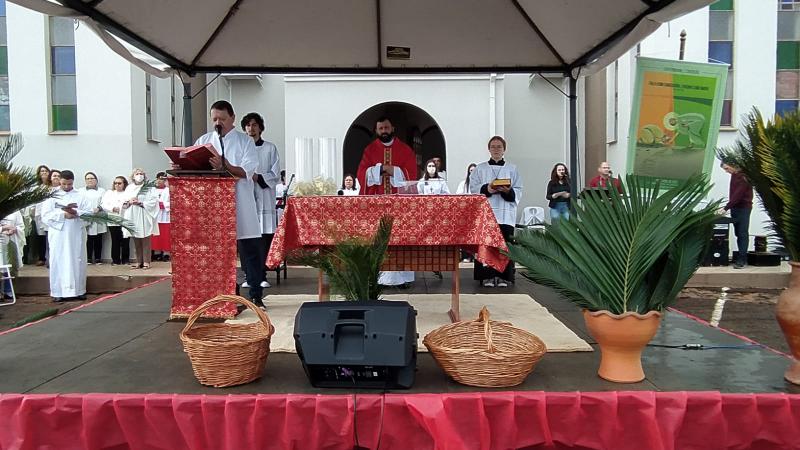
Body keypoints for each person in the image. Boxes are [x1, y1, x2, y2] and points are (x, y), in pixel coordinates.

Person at [193, 100, 263, 305]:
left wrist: (227, 166)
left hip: (240, 203)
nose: (218, 123)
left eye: (222, 119)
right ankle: (227, 294)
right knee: (220, 253)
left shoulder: (245, 142)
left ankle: (256, 294)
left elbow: (247, 172)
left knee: (249, 251)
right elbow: (195, 168)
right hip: (214, 204)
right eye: (214, 118)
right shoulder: (204, 141)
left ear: (232, 118)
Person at [356, 116, 418, 287]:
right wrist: (381, 169)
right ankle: (379, 278)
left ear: (393, 128)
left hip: (400, 205)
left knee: (399, 239)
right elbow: (362, 174)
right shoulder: (369, 150)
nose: (384, 131)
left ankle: (402, 278)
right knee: (378, 239)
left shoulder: (405, 150)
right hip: (377, 204)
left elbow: (411, 174)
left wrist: (394, 170)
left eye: (386, 127)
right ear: (376, 131)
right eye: (381, 128)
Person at [470, 136, 523, 288]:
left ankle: (504, 277)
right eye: (493, 147)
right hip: (487, 213)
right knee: (487, 245)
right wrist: (488, 188)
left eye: (499, 147)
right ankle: (487, 276)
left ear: (504, 149)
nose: (496, 149)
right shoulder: (480, 168)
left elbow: (519, 190)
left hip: (505, 214)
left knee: (504, 246)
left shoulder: (512, 169)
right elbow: (473, 188)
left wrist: (508, 191)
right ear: (489, 149)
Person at [242, 112, 280, 289]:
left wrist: (257, 177)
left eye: (254, 124)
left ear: (260, 127)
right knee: (246, 237)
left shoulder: (270, 148)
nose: (251, 128)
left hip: (264, 198)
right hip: (246, 196)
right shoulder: (242, 147)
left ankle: (262, 274)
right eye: (248, 125)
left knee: (263, 238)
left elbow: (275, 173)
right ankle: (248, 275)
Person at [41, 170, 92, 302]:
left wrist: (76, 213)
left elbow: (89, 214)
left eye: (69, 184)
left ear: (73, 182)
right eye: (64, 184)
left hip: (76, 232)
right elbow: (45, 216)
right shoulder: (51, 196)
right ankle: (58, 291)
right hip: (59, 233)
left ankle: (79, 290)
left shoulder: (81, 195)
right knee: (58, 260)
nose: (67, 187)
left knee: (78, 259)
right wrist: (63, 215)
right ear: (59, 181)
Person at [123, 168, 159, 270]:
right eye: (137, 174)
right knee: (136, 238)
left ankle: (146, 261)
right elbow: (124, 202)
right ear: (133, 176)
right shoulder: (129, 188)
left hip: (144, 213)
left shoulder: (149, 187)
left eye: (141, 174)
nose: (139, 175)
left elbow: (154, 201)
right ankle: (138, 261)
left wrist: (141, 203)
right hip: (133, 214)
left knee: (145, 238)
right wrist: (129, 201)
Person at [720, 162, 753, 269]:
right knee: (738, 233)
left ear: (733, 165)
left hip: (743, 208)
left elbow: (738, 195)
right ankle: (740, 256)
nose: (726, 171)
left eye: (727, 168)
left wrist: (726, 208)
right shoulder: (734, 176)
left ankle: (742, 259)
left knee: (742, 233)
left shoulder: (742, 177)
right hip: (735, 207)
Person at [101, 176, 131, 265]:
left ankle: (125, 259)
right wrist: (112, 208)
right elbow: (103, 204)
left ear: (124, 184)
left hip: (125, 219)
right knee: (115, 241)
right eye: (115, 183)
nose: (117, 185)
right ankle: (115, 260)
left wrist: (124, 207)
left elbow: (129, 204)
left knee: (126, 240)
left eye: (119, 183)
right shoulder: (109, 193)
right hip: (113, 220)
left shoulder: (127, 193)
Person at [79, 172, 107, 264]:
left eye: (92, 178)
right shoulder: (80, 191)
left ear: (96, 180)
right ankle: (88, 258)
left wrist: (98, 208)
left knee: (99, 238)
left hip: (98, 216)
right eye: (88, 178)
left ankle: (98, 258)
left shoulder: (102, 191)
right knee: (88, 238)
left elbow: (105, 202)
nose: (90, 180)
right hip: (86, 217)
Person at [29, 165, 51, 266]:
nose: (44, 173)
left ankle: (52, 258)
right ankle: (42, 258)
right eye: (41, 171)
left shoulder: (51, 187)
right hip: (39, 215)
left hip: (50, 215)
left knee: (50, 237)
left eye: (46, 171)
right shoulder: (36, 188)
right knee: (41, 237)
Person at [1, 210, 25, 300]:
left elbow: (21, 225)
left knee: (10, 265)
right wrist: (2, 229)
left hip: (12, 239)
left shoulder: (15, 210)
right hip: (1, 239)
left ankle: (9, 291)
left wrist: (15, 229)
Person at [151, 172, 171, 262]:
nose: (160, 181)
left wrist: (164, 204)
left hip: (165, 215)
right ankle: (157, 252)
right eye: (158, 179)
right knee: (156, 235)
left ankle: (166, 253)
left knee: (166, 234)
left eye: (162, 179)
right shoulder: (152, 190)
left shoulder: (169, 190)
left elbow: (174, 201)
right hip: (155, 215)